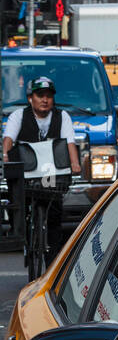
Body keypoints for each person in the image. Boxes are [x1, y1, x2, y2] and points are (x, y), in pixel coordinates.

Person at [2, 76, 81, 263]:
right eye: (40, 95)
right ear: (31, 98)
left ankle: (51, 260)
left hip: (49, 174)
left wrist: (75, 163)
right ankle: (25, 239)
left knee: (54, 211)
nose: (44, 100)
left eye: (48, 96)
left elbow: (70, 142)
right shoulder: (18, 116)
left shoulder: (62, 117)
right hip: (26, 175)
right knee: (18, 205)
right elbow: (8, 139)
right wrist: (5, 155)